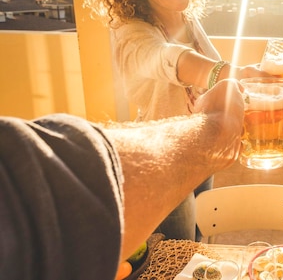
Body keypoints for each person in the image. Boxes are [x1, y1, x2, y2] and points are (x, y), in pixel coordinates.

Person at [84, 0, 266, 241]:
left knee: (196, 239)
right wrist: (228, 74)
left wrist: (251, 76)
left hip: (199, 144)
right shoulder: (131, 33)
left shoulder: (187, 19)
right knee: (178, 252)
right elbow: (167, 59)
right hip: (164, 160)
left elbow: (216, 68)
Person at [0, 78, 244, 280]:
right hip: (165, 154)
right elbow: (39, 190)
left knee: (192, 236)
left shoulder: (190, 25)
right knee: (179, 239)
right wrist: (219, 130)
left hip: (169, 147)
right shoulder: (134, 32)